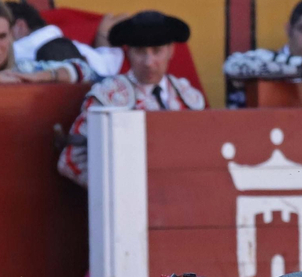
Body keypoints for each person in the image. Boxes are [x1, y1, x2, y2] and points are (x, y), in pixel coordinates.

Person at [56, 10, 204, 188]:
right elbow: (70, 161)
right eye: (140, 52)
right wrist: (118, 191)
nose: (149, 62)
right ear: (128, 52)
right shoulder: (108, 96)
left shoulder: (189, 96)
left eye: (157, 51)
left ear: (171, 51)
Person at [5, 0, 124, 79]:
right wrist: (103, 35)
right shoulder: (71, 44)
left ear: (19, 27)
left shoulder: (17, 50)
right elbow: (108, 68)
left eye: (2, 34)